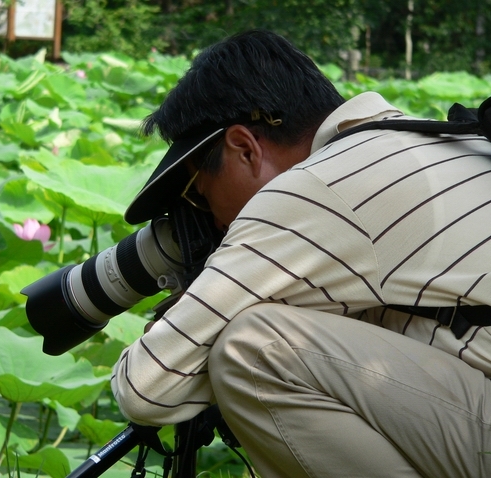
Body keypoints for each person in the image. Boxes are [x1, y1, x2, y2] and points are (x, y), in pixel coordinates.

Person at [110, 29, 491, 477]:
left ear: (244, 148)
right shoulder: (416, 141)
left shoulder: (318, 186)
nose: (211, 221)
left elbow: (144, 387)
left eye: (200, 194)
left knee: (255, 346)